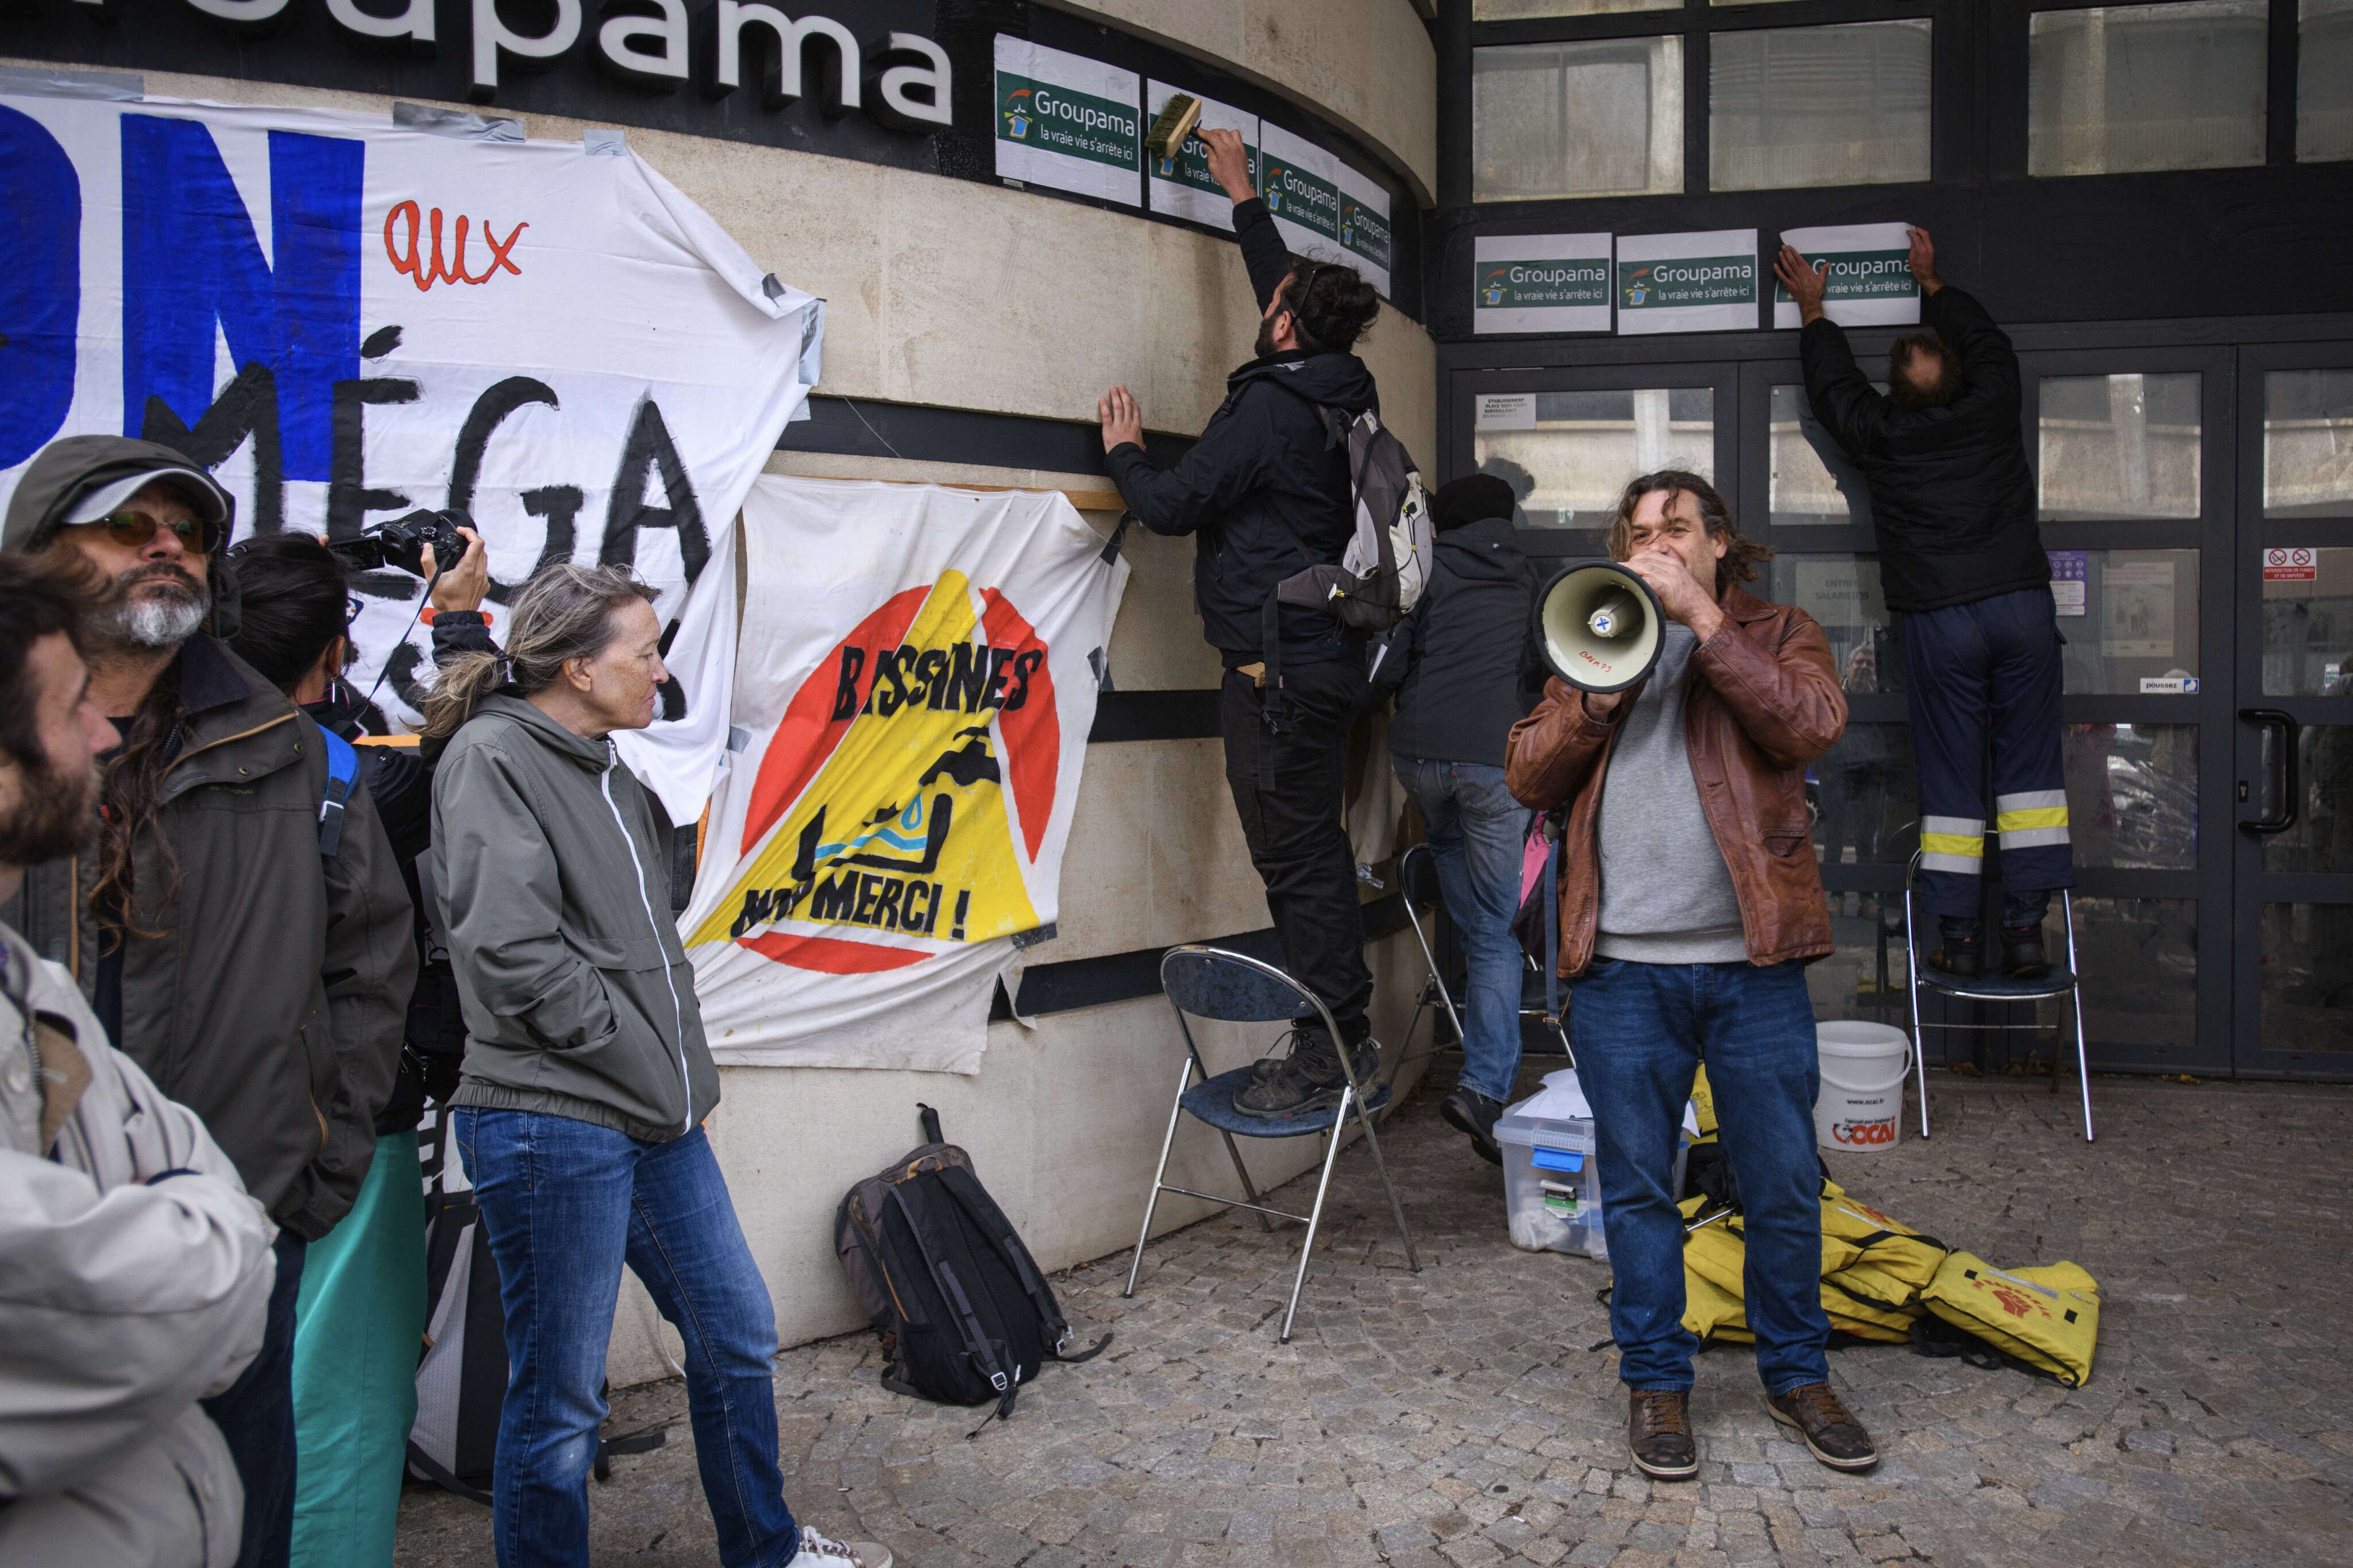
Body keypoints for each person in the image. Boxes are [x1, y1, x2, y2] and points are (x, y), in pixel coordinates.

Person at [0, 435, 415, 1568]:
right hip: (26, 1267)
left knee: (235, 1525)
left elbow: (369, 964)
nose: (167, 547)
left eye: (187, 531)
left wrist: (304, 1175)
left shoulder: (292, 755)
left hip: (234, 1240)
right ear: (37, 560)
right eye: (131, 528)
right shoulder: (20, 752)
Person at [425, 562, 890, 1568]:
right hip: (551, 1121)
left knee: (735, 1335)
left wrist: (679, 1085)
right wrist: (642, 1063)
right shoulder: (493, 759)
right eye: (643, 651)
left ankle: (762, 1553)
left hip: (649, 1117)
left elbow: (650, 954)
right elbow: (512, 956)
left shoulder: (609, 770)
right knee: (559, 1403)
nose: (661, 670)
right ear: (580, 669)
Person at [1506, 472, 1877, 1481]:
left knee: (1784, 1185)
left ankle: (1797, 1376)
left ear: (1718, 543)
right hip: (1624, 968)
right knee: (1634, 1191)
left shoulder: (1779, 628)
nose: (1655, 546)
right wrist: (1594, 695)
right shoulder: (1594, 630)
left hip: (1752, 966)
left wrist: (1707, 625)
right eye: (1638, 533)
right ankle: (1657, 1386)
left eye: (1675, 530)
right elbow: (1527, 773)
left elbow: (1807, 725)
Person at [1097, 125, 1390, 1117]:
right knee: (1306, 848)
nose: (1267, 307)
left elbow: (1174, 507)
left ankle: (1335, 1046)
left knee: (1297, 857)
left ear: (1279, 330)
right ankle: (1341, 1029)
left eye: (1272, 306)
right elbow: (1289, 293)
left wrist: (1127, 453)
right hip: (1324, 658)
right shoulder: (1342, 387)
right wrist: (1241, 194)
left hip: (1280, 677)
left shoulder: (1268, 412)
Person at [0, 553, 280, 1567]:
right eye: (72, 707)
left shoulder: (29, 984)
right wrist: (207, 1239)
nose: (104, 733)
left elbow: (193, 1175)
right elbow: (152, 1300)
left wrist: (200, 1232)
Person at [223, 528, 495, 1568]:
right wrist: (456, 613)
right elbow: (469, 741)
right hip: (344, 1128)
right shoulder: (342, 779)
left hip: (208, 1120)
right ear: (334, 652)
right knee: (342, 1391)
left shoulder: (171, 749)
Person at [1776, 229, 2072, 980]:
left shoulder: (1884, 434)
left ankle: (1962, 940)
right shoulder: (1993, 402)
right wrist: (1933, 284)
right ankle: (2028, 934)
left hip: (1942, 620)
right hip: (2019, 607)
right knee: (2031, 775)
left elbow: (1835, 392)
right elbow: (1990, 342)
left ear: (1897, 392)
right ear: (1962, 378)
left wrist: (1814, 311)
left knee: (1950, 778)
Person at [1367, 473, 1543, 1161]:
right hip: (1493, 761)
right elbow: (1548, 666)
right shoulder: (1531, 578)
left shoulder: (1427, 571)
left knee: (1447, 844)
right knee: (1500, 937)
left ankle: (1478, 954)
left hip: (1418, 758)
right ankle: (1485, 1089)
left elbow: (1385, 669)